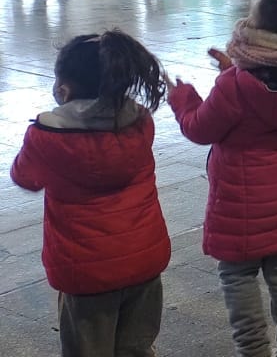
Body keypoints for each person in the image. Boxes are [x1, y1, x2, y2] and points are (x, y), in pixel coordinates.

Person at [168, 0, 277, 357]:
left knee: (238, 274)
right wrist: (234, 71)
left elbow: (199, 128)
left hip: (244, 207)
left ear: (261, 33)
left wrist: (184, 100)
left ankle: (253, 350)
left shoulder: (236, 86)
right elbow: (270, 88)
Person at [10, 30, 170, 357]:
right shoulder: (140, 123)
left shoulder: (47, 136)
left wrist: (45, 125)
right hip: (144, 262)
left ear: (63, 90)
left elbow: (24, 177)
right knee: (137, 349)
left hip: (86, 273)